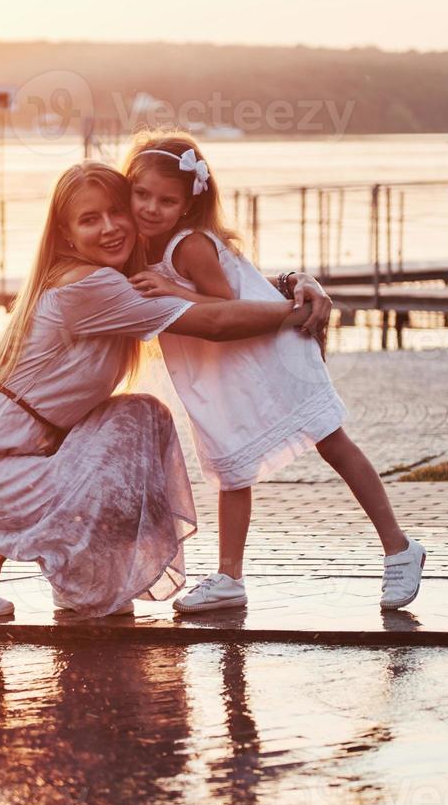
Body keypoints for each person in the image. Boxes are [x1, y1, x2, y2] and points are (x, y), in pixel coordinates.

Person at [0, 161, 334, 619]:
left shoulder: (112, 280)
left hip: (3, 451)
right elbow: (217, 321)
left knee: (140, 417)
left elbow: (214, 284)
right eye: (89, 219)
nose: (109, 228)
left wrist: (292, 281)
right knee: (131, 438)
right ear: (66, 233)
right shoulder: (91, 287)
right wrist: (294, 312)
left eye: (116, 212)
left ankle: (70, 573)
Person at [124, 131, 425, 612]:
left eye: (166, 200)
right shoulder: (146, 247)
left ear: (186, 205)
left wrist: (168, 289)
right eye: (142, 195)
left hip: (268, 353)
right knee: (231, 462)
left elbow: (227, 306)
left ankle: (399, 547)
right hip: (223, 368)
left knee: (333, 442)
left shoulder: (188, 247)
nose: (151, 208)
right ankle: (229, 576)